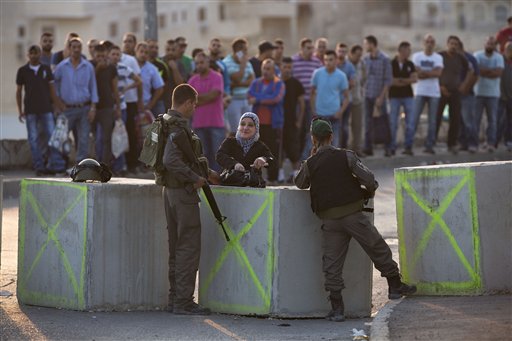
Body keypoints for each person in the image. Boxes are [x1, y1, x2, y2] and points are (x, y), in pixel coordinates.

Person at [294, 118, 416, 322]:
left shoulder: (311, 163)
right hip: (353, 215)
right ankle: (395, 286)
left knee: (332, 263)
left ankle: (337, 307)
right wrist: (368, 191)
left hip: (330, 220)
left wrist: (310, 160)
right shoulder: (346, 156)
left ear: (313, 139)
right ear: (331, 136)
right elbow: (369, 180)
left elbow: (299, 184)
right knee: (377, 247)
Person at [162, 83, 220, 315]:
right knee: (188, 246)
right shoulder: (177, 127)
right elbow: (171, 160)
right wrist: (194, 178)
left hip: (170, 191)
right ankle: (183, 302)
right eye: (194, 105)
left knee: (177, 247)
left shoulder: (165, 121)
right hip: (183, 193)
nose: (195, 109)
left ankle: (175, 299)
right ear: (186, 103)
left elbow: (185, 157)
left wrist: (205, 173)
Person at [16, 45, 66, 175]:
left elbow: (52, 90)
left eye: (36, 53)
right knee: (33, 138)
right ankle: (39, 167)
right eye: (31, 53)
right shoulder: (22, 70)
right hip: (30, 110)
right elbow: (19, 91)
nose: (34, 55)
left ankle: (57, 165)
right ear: (28, 55)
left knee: (52, 136)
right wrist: (20, 110)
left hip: (46, 109)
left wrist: (58, 105)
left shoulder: (46, 69)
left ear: (40, 54)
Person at [54, 37, 98, 163]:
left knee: (84, 138)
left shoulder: (88, 67)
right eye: (74, 47)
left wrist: (93, 108)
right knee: (61, 137)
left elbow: (93, 87)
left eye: (79, 47)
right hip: (67, 109)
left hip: (84, 108)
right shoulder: (62, 67)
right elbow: (53, 85)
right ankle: (59, 164)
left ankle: (81, 166)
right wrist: (57, 104)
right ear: (69, 48)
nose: (76, 50)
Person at [247, 59, 285, 184]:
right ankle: (255, 177)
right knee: (255, 150)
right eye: (264, 68)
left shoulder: (278, 83)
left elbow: (275, 98)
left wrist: (258, 99)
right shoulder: (256, 83)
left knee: (272, 151)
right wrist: (264, 98)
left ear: (274, 70)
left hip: (273, 124)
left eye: (269, 69)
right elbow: (249, 96)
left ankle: (273, 178)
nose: (266, 71)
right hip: (257, 124)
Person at [188, 51, 225, 171]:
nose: (199, 65)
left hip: (215, 123)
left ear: (208, 62)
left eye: (202, 62)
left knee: (217, 155)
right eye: (197, 63)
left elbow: (213, 95)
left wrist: (197, 100)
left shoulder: (217, 77)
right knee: (202, 155)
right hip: (199, 124)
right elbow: (188, 100)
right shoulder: (192, 80)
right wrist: (202, 99)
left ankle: (219, 183)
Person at [109, 44, 142, 175]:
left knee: (120, 136)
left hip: (121, 107)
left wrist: (126, 88)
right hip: (107, 107)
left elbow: (138, 81)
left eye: (118, 54)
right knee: (106, 138)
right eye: (113, 54)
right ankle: (108, 164)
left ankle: (120, 166)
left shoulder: (123, 68)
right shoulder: (105, 68)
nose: (115, 57)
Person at [435, 36, 469, 154]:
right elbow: (435, 71)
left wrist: (464, 85)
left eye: (456, 44)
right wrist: (440, 85)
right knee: (437, 117)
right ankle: (432, 142)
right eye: (451, 44)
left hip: (455, 92)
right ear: (447, 44)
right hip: (441, 91)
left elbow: (470, 70)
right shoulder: (440, 56)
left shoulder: (461, 58)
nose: (453, 46)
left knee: (455, 118)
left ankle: (452, 143)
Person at [411, 34, 443, 154]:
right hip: (419, 91)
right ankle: (409, 145)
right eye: (427, 41)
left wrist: (423, 72)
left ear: (434, 44)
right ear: (424, 43)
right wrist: (431, 72)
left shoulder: (438, 57)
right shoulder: (416, 56)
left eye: (431, 41)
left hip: (434, 93)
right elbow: (415, 72)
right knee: (414, 119)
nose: (429, 43)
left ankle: (430, 145)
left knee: (432, 120)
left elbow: (438, 73)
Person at [311, 50, 350, 148]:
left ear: (336, 60)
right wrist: (313, 110)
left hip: (334, 115)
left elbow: (347, 97)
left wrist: (340, 112)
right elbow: (312, 93)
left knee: (334, 144)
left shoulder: (341, 76)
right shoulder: (317, 73)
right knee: (316, 145)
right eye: (326, 60)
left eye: (331, 60)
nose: (328, 62)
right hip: (319, 115)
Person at [362, 35, 393, 157]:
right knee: (367, 122)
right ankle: (368, 147)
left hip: (380, 95)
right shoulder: (365, 59)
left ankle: (388, 147)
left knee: (384, 121)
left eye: (366, 44)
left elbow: (388, 80)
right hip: (367, 94)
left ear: (371, 44)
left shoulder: (385, 59)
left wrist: (381, 97)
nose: (365, 46)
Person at [292, 38, 323, 158]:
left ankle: (308, 156)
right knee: (297, 128)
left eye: (312, 48)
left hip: (312, 101)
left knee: (310, 130)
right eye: (308, 48)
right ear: (302, 48)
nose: (311, 51)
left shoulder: (317, 63)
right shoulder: (294, 61)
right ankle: (296, 155)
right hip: (298, 102)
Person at [91, 43, 121, 166]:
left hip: (107, 106)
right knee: (94, 137)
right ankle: (93, 163)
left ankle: (105, 165)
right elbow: (89, 81)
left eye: (103, 56)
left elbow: (115, 88)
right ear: (93, 55)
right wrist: (98, 68)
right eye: (98, 56)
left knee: (106, 139)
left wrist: (118, 106)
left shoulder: (111, 68)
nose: (101, 59)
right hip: (92, 107)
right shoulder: (89, 66)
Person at [473, 36, 504, 152]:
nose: (489, 46)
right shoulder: (477, 55)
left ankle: (490, 143)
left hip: (493, 94)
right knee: (476, 119)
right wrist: (491, 71)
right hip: (478, 93)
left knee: (492, 120)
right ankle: (474, 144)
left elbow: (498, 73)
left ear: (495, 45)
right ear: (484, 44)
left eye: (492, 44)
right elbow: (477, 70)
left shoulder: (499, 57)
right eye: (488, 43)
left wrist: (483, 71)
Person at [389, 41, 417, 155]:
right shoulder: (391, 63)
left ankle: (408, 146)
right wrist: (406, 81)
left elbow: (414, 79)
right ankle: (392, 146)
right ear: (401, 50)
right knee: (393, 123)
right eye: (407, 50)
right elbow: (390, 80)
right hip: (394, 96)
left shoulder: (410, 64)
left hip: (408, 96)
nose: (409, 53)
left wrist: (400, 80)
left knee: (410, 122)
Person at [121, 32, 144, 173]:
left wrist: (140, 101)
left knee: (132, 133)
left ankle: (132, 164)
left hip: (131, 102)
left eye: (130, 41)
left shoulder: (132, 60)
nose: (127, 44)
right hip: (118, 103)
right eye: (125, 41)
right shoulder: (117, 58)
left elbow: (139, 82)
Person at [280, 57, 305, 182]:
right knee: (279, 148)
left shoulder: (296, 83)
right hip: (278, 122)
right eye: (285, 67)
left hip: (291, 122)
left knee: (294, 149)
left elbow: (302, 104)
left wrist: (299, 121)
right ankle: (279, 176)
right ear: (281, 67)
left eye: (290, 67)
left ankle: (296, 175)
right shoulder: (276, 82)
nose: (287, 70)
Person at [223, 38, 254, 133]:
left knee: (248, 131)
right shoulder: (227, 62)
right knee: (236, 131)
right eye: (244, 50)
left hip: (246, 100)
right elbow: (237, 78)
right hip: (233, 101)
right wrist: (243, 65)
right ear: (238, 51)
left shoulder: (247, 62)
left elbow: (251, 80)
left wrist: (238, 84)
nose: (246, 53)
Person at [457, 40, 479, 153]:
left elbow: (475, 75)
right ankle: (463, 143)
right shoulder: (454, 59)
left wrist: (466, 88)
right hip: (455, 95)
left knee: (468, 120)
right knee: (459, 120)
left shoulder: (470, 59)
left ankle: (472, 143)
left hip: (467, 94)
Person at [336, 43, 357, 149]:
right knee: (335, 127)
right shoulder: (332, 64)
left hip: (345, 100)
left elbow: (352, 84)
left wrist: (339, 85)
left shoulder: (349, 66)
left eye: (344, 51)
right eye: (340, 51)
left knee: (344, 127)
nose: (341, 53)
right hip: (333, 101)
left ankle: (343, 148)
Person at [135, 42, 164, 116]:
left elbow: (159, 88)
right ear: (136, 52)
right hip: (129, 103)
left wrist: (150, 105)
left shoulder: (152, 68)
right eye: (141, 51)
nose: (143, 54)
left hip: (144, 105)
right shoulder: (130, 65)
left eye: (146, 53)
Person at [348, 45, 366, 155]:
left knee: (358, 125)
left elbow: (364, 79)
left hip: (357, 98)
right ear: (351, 54)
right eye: (357, 55)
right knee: (346, 126)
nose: (358, 58)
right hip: (346, 99)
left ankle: (357, 149)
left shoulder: (362, 64)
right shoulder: (345, 64)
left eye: (360, 56)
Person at [147, 39, 171, 115]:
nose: (154, 50)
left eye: (156, 48)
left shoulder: (162, 65)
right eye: (151, 47)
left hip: (158, 101)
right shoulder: (138, 64)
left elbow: (165, 84)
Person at [497, 42, 512, 151]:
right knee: (498, 120)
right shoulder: (499, 60)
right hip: (500, 96)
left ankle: (508, 141)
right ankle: (494, 142)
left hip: (510, 97)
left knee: (510, 121)